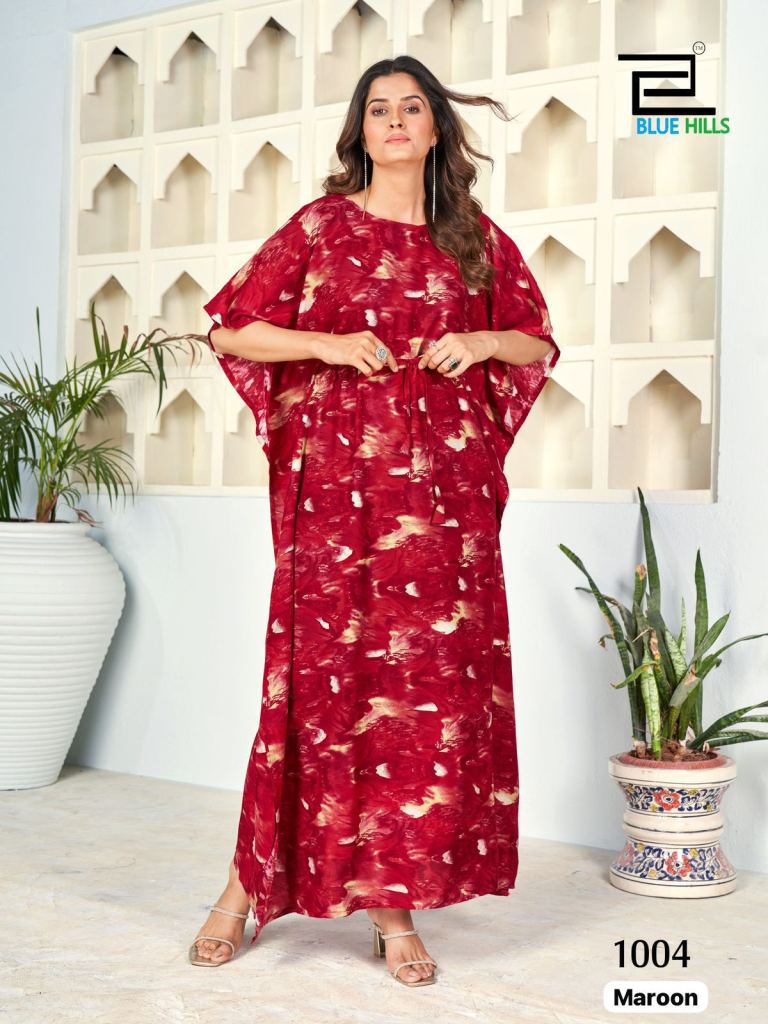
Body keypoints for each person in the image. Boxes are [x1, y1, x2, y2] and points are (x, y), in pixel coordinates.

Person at [189, 54, 559, 988]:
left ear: (436, 129)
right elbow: (230, 327)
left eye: (412, 107)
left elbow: (535, 341)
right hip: (336, 499)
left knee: (418, 698)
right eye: (379, 108)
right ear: (360, 130)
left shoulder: (472, 236)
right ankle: (242, 888)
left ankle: (393, 908)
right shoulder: (321, 226)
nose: (395, 120)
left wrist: (479, 338)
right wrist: (323, 342)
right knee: (317, 687)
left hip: (443, 504)